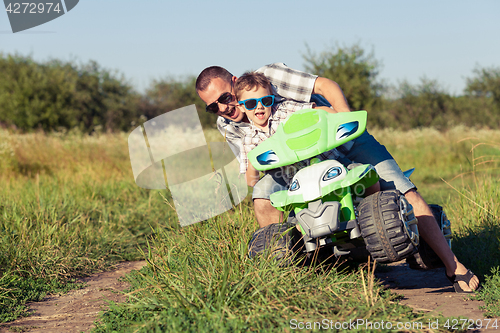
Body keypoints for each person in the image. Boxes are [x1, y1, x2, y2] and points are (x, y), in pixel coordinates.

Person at [195, 63, 480, 293]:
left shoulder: (270, 79)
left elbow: (322, 89)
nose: (222, 108)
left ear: (234, 81)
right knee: (263, 197)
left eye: (224, 98)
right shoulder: (227, 124)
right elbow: (251, 168)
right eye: (212, 107)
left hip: (341, 141)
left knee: (397, 187)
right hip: (291, 164)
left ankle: (451, 264)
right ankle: (288, 271)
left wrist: (343, 116)